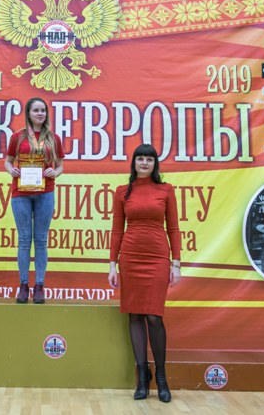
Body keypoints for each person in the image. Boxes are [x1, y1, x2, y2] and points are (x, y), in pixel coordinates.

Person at [108, 144, 181, 403]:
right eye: (140, 158)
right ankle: (142, 376)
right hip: (130, 257)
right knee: (135, 315)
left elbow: (174, 228)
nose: (144, 163)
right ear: (134, 163)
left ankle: (161, 377)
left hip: (157, 257)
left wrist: (176, 263)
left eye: (149, 159)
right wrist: (112, 264)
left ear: (154, 164)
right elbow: (117, 231)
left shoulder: (166, 190)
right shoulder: (122, 192)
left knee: (154, 316)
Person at [4, 97, 65, 304]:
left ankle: (39, 286)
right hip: (21, 192)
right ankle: (23, 285)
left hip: (45, 191)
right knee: (23, 240)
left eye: (43, 110)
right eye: (36, 110)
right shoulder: (18, 137)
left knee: (40, 240)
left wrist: (54, 172)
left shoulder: (53, 138)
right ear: (28, 114)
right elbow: (8, 161)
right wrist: (11, 170)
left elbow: (60, 166)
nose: (40, 114)